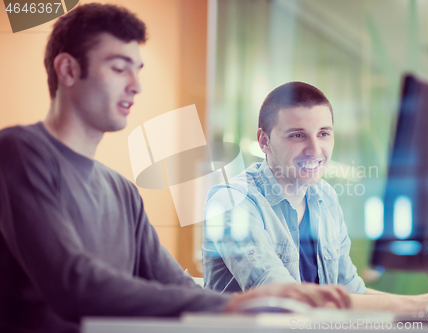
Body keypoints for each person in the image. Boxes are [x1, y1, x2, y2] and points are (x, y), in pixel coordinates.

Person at [0, 5, 351, 333]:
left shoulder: (121, 190)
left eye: (137, 71)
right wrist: (232, 306)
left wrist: (241, 305)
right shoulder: (20, 152)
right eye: (119, 68)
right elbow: (74, 283)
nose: (135, 85)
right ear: (68, 69)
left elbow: (174, 284)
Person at [202, 81, 428, 312]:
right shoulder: (231, 201)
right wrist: (420, 305)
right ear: (263, 141)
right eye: (297, 135)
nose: (315, 150)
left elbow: (351, 292)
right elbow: (284, 300)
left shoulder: (324, 196)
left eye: (324, 134)